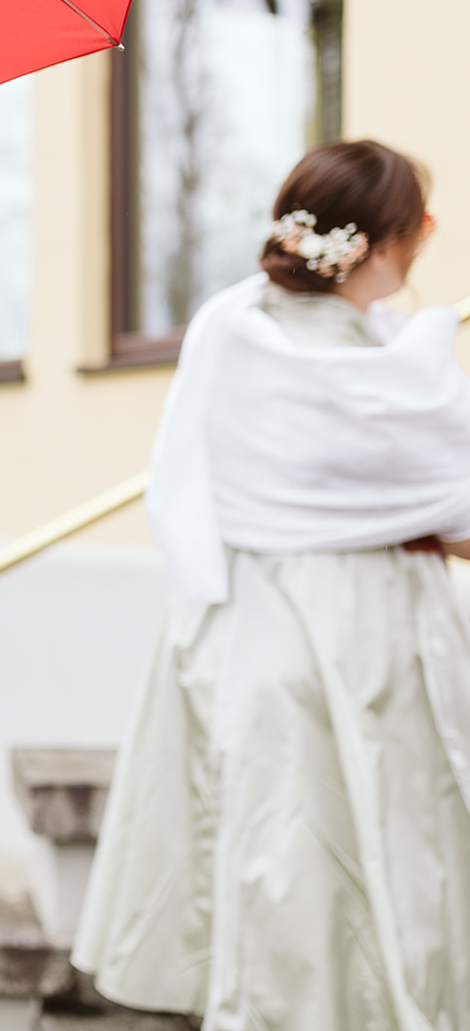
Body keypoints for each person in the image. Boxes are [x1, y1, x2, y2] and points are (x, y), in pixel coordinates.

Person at [73, 140, 470, 1029]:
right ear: (379, 246)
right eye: (422, 225)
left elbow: (198, 472)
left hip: (246, 620)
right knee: (388, 847)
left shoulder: (233, 327)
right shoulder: (400, 368)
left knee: (279, 853)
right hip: (370, 627)